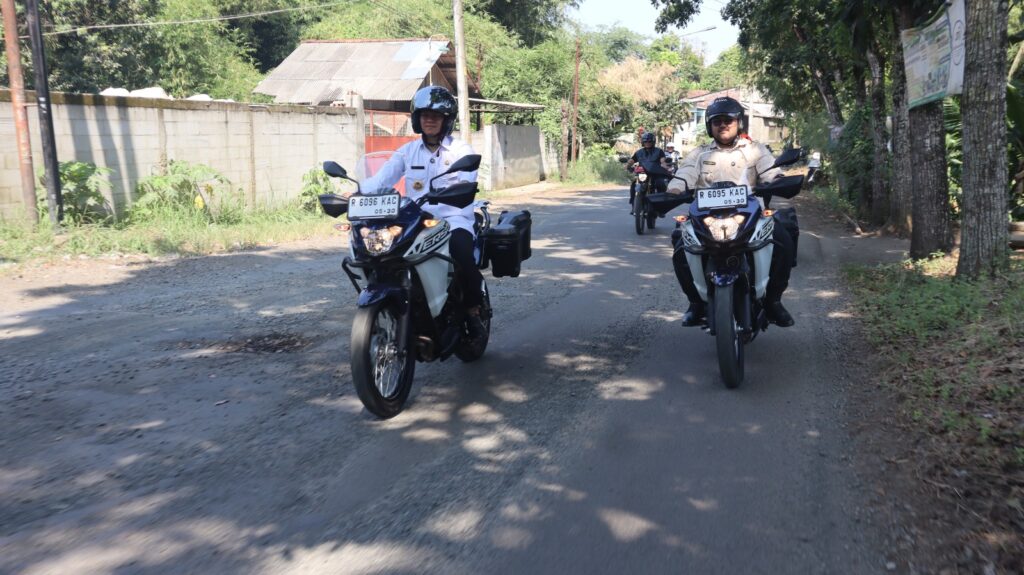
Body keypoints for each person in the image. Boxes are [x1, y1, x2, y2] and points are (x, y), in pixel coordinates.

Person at [360, 85, 487, 339]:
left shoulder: (461, 151)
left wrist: (455, 192)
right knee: (386, 253)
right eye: (425, 115)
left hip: (453, 218)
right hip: (417, 219)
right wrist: (356, 192)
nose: (430, 120)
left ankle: (473, 310)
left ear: (446, 120)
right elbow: (382, 179)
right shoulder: (406, 152)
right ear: (417, 119)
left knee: (462, 254)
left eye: (436, 116)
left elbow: (466, 181)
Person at [668, 96, 796, 328]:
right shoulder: (699, 154)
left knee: (783, 239)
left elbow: (769, 170)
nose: (723, 125)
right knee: (680, 245)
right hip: (706, 217)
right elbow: (685, 173)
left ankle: (774, 301)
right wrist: (675, 188)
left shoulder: (755, 150)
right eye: (717, 121)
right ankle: (695, 302)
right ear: (710, 126)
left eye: (728, 120)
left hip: (749, 214)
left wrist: (776, 179)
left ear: (739, 123)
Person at [624, 132, 673, 214]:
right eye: (645, 141)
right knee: (634, 185)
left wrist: (665, 165)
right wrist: (627, 165)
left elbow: (662, 161)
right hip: (643, 173)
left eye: (649, 141)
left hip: (656, 173)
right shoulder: (639, 152)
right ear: (642, 142)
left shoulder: (659, 151)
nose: (647, 143)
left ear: (653, 142)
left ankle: (661, 207)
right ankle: (633, 205)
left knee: (661, 183)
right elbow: (632, 160)